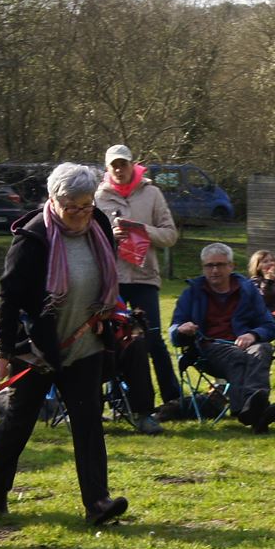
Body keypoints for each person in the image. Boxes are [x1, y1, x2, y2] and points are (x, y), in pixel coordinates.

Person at [0, 162, 130, 526]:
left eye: (87, 204)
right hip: (37, 351)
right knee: (19, 424)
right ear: (54, 199)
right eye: (73, 206)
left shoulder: (99, 228)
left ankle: (97, 503)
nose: (82, 214)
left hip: (85, 344)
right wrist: (5, 350)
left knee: (88, 424)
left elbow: (108, 280)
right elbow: (9, 298)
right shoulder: (33, 239)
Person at [94, 144, 181, 427]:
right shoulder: (97, 197)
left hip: (144, 277)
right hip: (112, 279)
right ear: (107, 169)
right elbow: (89, 236)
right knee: (111, 340)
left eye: (124, 164)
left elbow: (170, 236)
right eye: (114, 165)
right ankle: (118, 401)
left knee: (152, 338)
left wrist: (143, 231)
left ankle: (172, 398)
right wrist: (111, 234)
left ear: (134, 165)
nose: (119, 169)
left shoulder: (152, 193)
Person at [170, 243, 275, 433]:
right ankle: (250, 407)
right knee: (237, 355)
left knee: (262, 349)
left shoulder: (248, 291)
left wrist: (253, 334)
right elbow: (174, 330)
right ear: (203, 267)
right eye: (209, 265)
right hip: (207, 349)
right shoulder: (192, 293)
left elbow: (270, 326)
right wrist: (181, 329)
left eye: (220, 265)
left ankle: (250, 410)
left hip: (245, 344)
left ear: (231, 266)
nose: (214, 270)